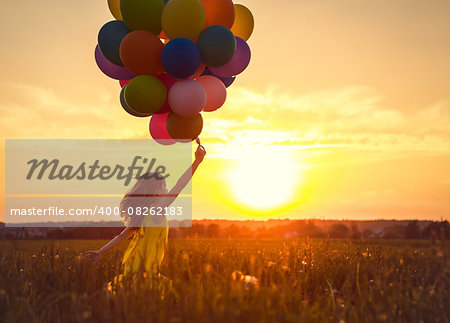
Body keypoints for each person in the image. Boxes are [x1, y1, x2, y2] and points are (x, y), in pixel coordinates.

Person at [84, 143, 206, 287]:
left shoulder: (143, 214)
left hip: (136, 264)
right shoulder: (157, 209)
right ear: (155, 192)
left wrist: (100, 252)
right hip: (144, 267)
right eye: (164, 186)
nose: (167, 189)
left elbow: (122, 236)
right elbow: (180, 185)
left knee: (133, 293)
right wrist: (196, 162)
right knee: (154, 294)